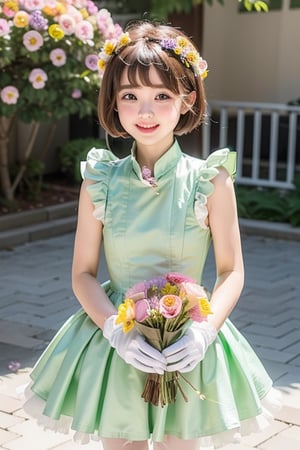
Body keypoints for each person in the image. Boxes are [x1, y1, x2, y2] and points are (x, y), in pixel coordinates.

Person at [25, 19, 280, 450]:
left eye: (162, 96)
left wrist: (204, 333)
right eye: (130, 96)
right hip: (116, 348)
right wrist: (114, 331)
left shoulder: (210, 179)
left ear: (187, 100)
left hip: (189, 346)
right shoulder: (99, 181)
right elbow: (83, 274)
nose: (145, 112)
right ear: (114, 103)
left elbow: (231, 270)